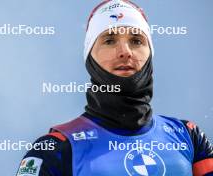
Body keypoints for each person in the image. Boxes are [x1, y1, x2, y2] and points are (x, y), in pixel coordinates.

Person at [16, 0, 213, 175]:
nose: (125, 52)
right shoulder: (55, 147)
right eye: (109, 40)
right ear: (89, 57)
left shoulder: (188, 136)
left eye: (136, 41)